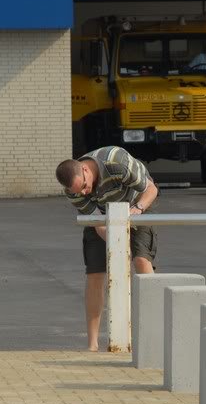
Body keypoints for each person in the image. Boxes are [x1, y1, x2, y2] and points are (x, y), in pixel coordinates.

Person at [56, 146, 158, 352]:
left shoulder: (117, 162)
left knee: (141, 260)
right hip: (102, 216)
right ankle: (92, 345)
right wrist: (117, 243)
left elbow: (151, 189)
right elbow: (98, 224)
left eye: (85, 186)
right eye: (80, 191)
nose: (84, 192)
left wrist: (137, 210)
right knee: (95, 273)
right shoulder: (72, 191)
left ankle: (154, 336)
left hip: (137, 205)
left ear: (85, 169)